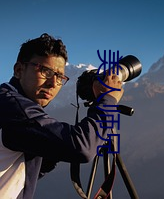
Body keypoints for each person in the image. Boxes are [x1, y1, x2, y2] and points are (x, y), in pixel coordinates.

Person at [0, 33, 124, 199]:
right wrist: (107, 101)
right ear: (19, 70)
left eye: (59, 77)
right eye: (45, 71)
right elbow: (82, 148)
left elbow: (23, 173)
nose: (53, 83)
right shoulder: (14, 108)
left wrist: (54, 146)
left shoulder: (11, 103)